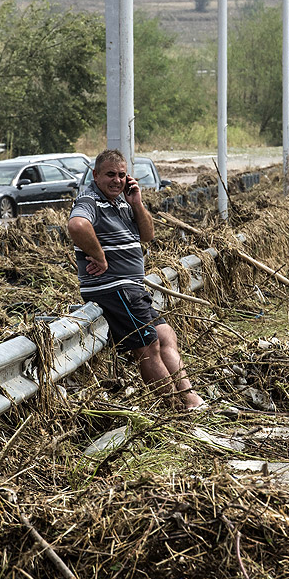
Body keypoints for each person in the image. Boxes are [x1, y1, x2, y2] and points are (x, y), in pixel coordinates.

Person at [67, 149, 205, 411]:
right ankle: (173, 409)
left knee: (165, 335)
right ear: (95, 175)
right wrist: (100, 257)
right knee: (148, 346)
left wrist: (136, 202)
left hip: (132, 289)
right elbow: (77, 226)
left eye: (121, 175)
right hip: (114, 289)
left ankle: (189, 399)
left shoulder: (122, 201)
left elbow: (147, 234)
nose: (117, 180)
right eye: (110, 175)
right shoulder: (89, 200)